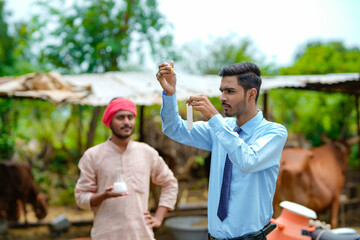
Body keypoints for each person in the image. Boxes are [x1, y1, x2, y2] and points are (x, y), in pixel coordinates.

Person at [156, 61, 287, 240]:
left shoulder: (274, 133)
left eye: (230, 91)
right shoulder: (220, 128)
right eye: (222, 91)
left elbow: (248, 160)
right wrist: (170, 93)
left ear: (251, 94)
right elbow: (174, 128)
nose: (222, 97)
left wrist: (214, 118)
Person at [74, 97, 178, 240]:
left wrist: (158, 218)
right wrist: (104, 195)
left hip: (141, 234)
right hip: (105, 234)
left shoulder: (147, 152)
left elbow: (170, 183)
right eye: (120, 117)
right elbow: (81, 197)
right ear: (110, 121)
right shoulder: (93, 155)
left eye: (130, 117)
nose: (127, 122)